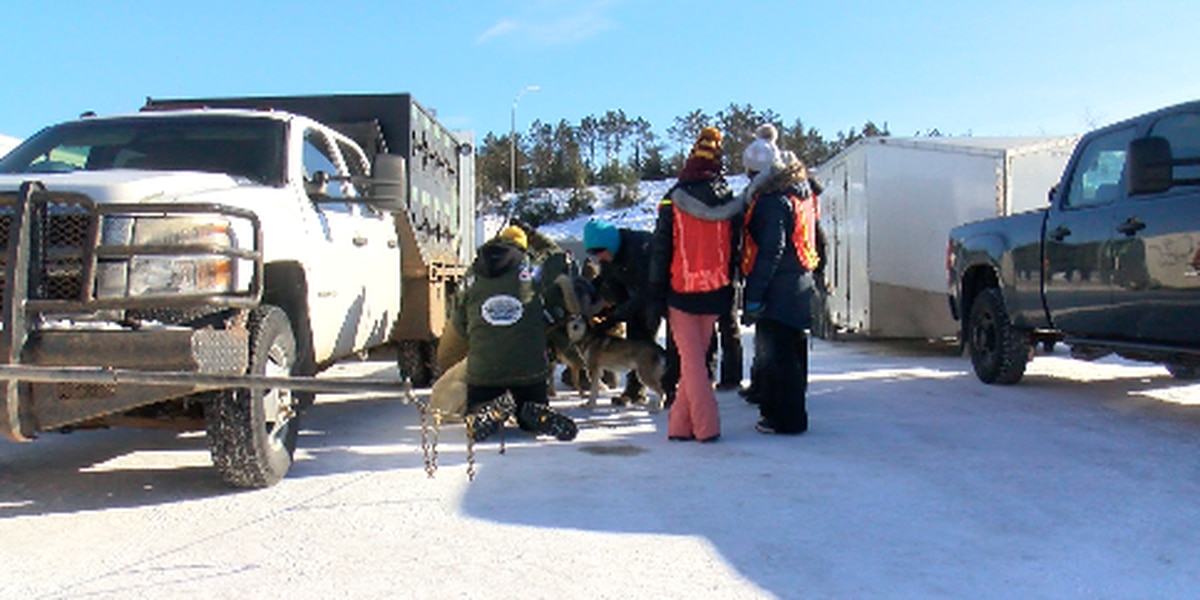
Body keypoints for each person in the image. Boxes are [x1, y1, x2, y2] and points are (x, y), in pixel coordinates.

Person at [647, 126, 741, 442]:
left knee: (691, 363)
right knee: (696, 360)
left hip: (681, 291)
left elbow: (661, 250)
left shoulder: (672, 199)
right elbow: (735, 248)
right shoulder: (727, 198)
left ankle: (706, 427)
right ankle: (679, 427)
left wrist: (655, 294)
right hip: (716, 291)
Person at [450, 225, 577, 442]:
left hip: (484, 370)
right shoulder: (535, 269)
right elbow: (559, 257)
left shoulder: (471, 275)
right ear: (523, 247)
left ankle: (486, 412)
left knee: (479, 403)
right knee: (529, 400)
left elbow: (459, 323)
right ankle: (530, 413)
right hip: (530, 370)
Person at [739, 124, 827, 435]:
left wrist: (754, 295)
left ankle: (784, 418)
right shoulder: (799, 193)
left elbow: (770, 251)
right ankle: (788, 413)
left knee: (779, 356)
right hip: (800, 283)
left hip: (780, 289)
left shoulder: (771, 201)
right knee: (793, 353)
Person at [583, 218, 671, 405]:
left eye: (599, 252)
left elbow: (646, 294)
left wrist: (616, 316)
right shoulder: (610, 256)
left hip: (664, 294)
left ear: (609, 244)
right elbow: (610, 285)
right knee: (636, 338)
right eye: (594, 254)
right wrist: (605, 310)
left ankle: (670, 390)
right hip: (637, 295)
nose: (598, 257)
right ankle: (635, 392)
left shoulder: (640, 249)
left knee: (653, 343)